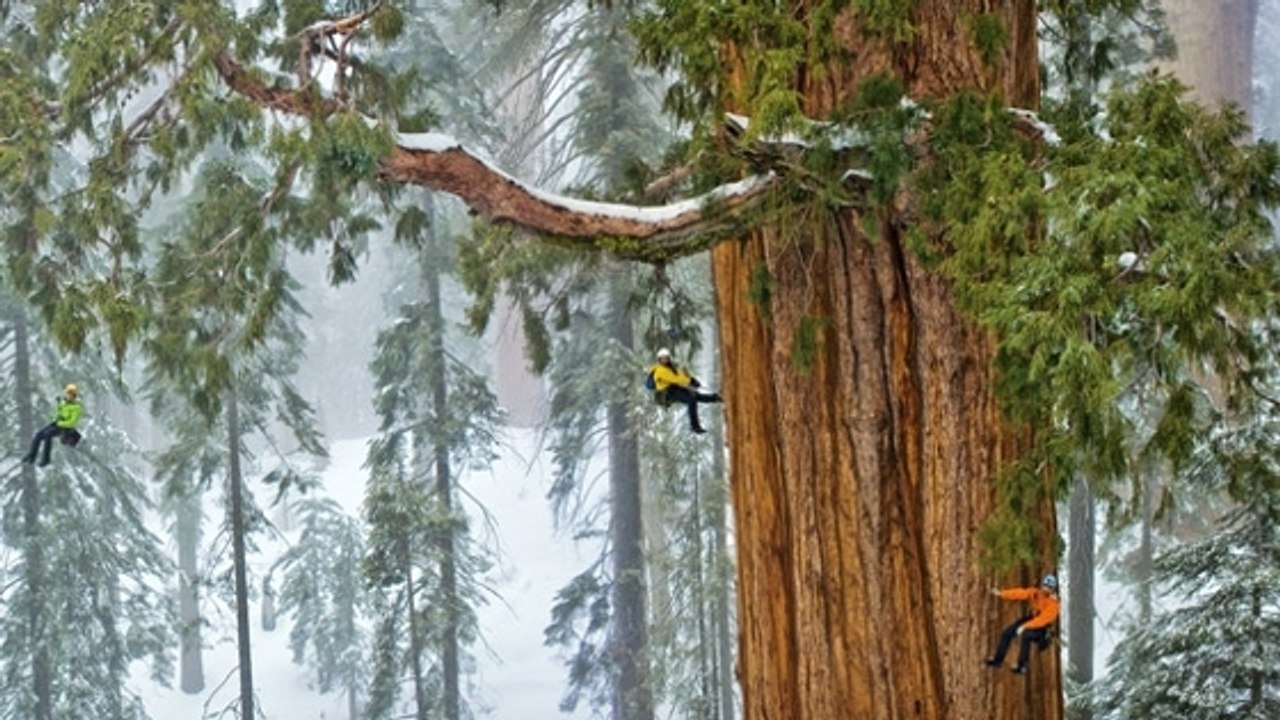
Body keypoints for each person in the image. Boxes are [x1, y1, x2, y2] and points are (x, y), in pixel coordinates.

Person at [984, 573, 1060, 675]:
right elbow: (1020, 593)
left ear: (1053, 589)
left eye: (1049, 587)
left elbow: (1042, 620)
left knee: (1026, 635)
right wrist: (1001, 594)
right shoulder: (1035, 593)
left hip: (1042, 629)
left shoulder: (1053, 604)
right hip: (1031, 620)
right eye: (1045, 585)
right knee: (1007, 633)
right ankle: (998, 660)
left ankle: (1022, 665)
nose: (1046, 589)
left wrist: (1024, 626)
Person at [647, 348, 722, 434]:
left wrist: (691, 379)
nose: (666, 360)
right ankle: (695, 427)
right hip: (667, 393)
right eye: (663, 358)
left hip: (673, 388)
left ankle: (716, 398)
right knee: (691, 398)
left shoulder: (669, 367)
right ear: (659, 359)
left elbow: (679, 375)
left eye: (667, 358)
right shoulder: (660, 370)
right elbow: (675, 378)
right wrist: (690, 381)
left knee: (695, 395)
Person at [22, 383, 83, 467]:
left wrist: (61, 422)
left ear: (74, 396)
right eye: (68, 394)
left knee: (48, 434)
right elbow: (57, 413)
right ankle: (31, 456)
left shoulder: (77, 407)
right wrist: (58, 407)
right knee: (38, 435)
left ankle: (46, 459)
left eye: (71, 395)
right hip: (56, 423)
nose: (69, 396)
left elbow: (72, 422)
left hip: (65, 427)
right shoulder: (63, 402)